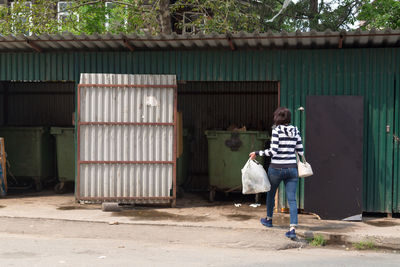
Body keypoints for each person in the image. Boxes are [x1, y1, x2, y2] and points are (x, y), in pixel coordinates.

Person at [249, 107, 304, 239]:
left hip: (276, 169)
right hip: (292, 169)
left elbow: (272, 151)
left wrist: (257, 153)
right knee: (292, 199)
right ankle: (292, 228)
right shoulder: (295, 130)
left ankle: (269, 219)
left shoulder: (276, 130)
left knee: (271, 194)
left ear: (277, 118)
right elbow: (300, 150)